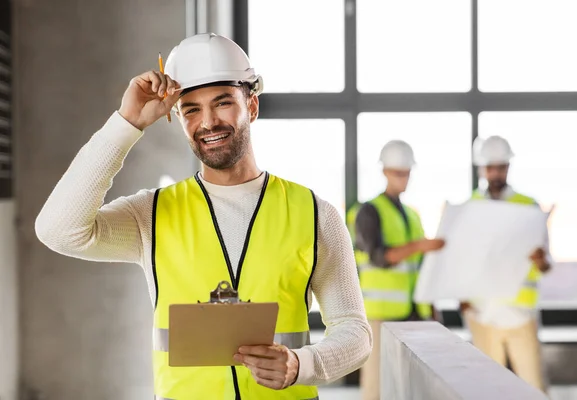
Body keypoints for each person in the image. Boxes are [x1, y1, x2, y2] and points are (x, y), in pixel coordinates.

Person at [35, 33, 372, 400]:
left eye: (223, 102)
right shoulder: (152, 214)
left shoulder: (314, 214)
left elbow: (355, 332)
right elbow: (58, 230)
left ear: (252, 107)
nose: (208, 122)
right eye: (191, 109)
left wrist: (301, 364)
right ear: (177, 119)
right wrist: (127, 122)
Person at [347, 140, 445, 400]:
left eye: (407, 173)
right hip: (380, 317)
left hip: (412, 315)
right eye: (398, 173)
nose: (404, 178)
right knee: (376, 389)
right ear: (385, 172)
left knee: (409, 389)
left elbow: (419, 268)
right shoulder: (368, 212)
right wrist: (420, 245)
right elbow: (380, 257)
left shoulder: (411, 215)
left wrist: (431, 307)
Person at [461, 135, 552, 393]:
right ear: (482, 169)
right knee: (485, 392)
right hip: (482, 315)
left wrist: (541, 259)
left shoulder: (528, 206)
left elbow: (547, 264)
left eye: (501, 167)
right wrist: (463, 300)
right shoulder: (470, 208)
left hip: (520, 315)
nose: (496, 173)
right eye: (491, 168)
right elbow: (461, 260)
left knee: (534, 389)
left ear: (508, 167)